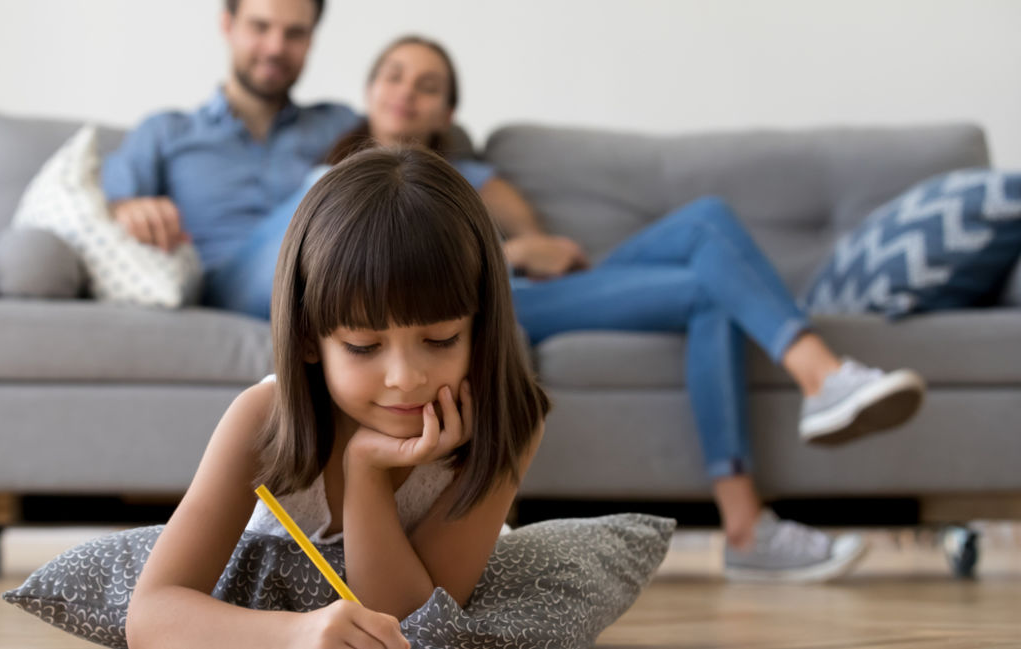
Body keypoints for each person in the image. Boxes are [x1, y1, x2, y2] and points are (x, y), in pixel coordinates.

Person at [207, 35, 927, 583]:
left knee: (707, 222)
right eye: (394, 75)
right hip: (472, 304)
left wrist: (516, 249)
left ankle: (813, 402)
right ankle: (759, 499)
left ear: (447, 112)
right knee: (713, 288)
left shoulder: (475, 178)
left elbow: (539, 246)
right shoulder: (330, 184)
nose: (408, 91)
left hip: (513, 299)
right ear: (368, 92)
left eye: (428, 85)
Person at [124, 147, 548, 648]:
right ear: (308, 338)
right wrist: (296, 634)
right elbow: (151, 613)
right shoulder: (263, 419)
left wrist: (366, 469)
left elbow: (411, 623)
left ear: (480, 328)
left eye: (440, 340)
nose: (405, 378)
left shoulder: (509, 421)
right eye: (364, 346)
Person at [100, 0, 360, 309]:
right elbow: (103, 209)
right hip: (223, 289)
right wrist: (128, 209)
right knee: (329, 188)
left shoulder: (338, 125)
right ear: (227, 25)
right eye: (260, 27)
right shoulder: (166, 132)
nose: (276, 47)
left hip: (331, 282)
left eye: (295, 33)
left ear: (311, 41)